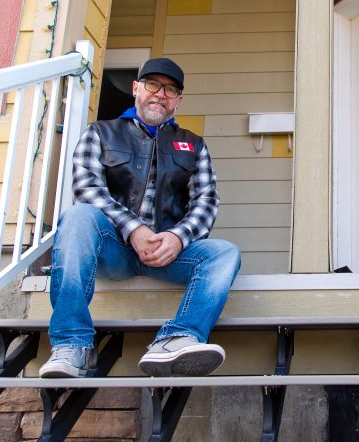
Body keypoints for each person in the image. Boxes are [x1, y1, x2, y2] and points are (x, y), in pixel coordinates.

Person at [40, 57, 241, 378]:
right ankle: (70, 344)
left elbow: (206, 200)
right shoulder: (101, 133)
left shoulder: (193, 145)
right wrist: (133, 229)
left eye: (171, 90)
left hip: (166, 254)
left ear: (178, 100)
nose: (161, 94)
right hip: (114, 250)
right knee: (78, 215)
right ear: (136, 89)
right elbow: (87, 188)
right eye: (153, 85)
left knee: (225, 252)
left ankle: (178, 338)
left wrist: (178, 237)